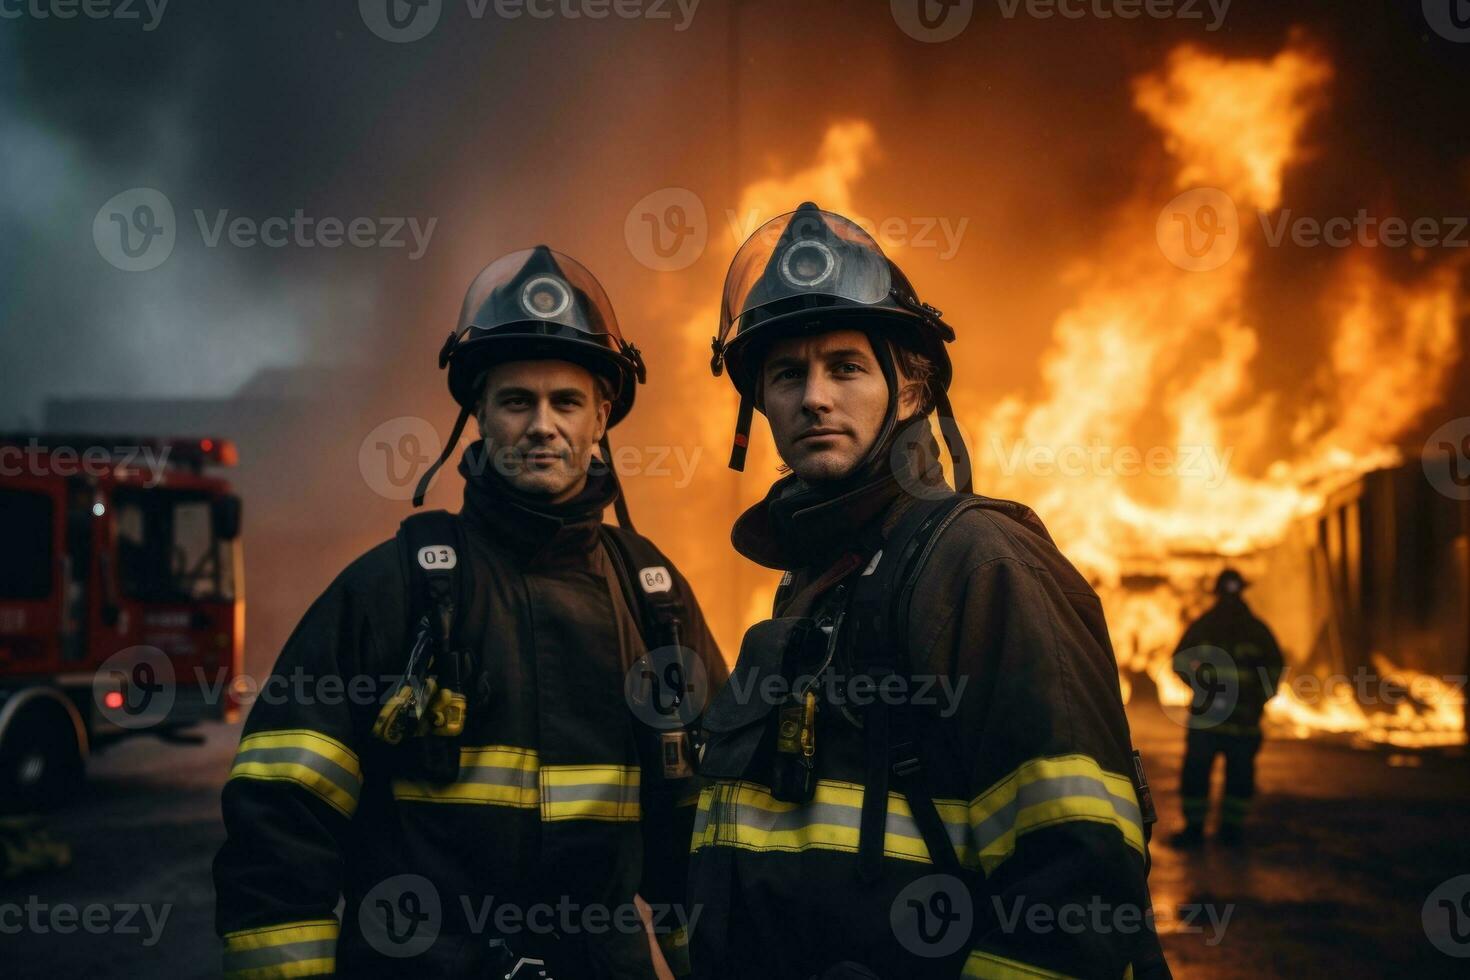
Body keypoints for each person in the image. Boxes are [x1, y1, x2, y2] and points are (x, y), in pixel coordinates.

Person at [213, 246, 725, 978]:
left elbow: (696, 833)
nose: (542, 424)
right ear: (478, 411)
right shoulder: (392, 590)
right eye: (517, 400)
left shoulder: (652, 597)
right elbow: (281, 812)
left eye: (567, 401)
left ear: (601, 415)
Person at [687, 204, 1169, 979]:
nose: (814, 396)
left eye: (846, 367)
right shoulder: (819, 580)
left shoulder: (979, 563)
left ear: (910, 392)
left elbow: (1078, 890)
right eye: (787, 374)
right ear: (760, 407)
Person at [1170, 567, 1284, 848]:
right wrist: (1198, 686)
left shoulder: (1251, 629)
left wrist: (1260, 698)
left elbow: (1275, 667)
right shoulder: (1211, 626)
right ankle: (1196, 829)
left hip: (1233, 722)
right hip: (1218, 722)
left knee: (1238, 778)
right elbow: (1179, 661)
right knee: (1198, 774)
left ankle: (1230, 830)